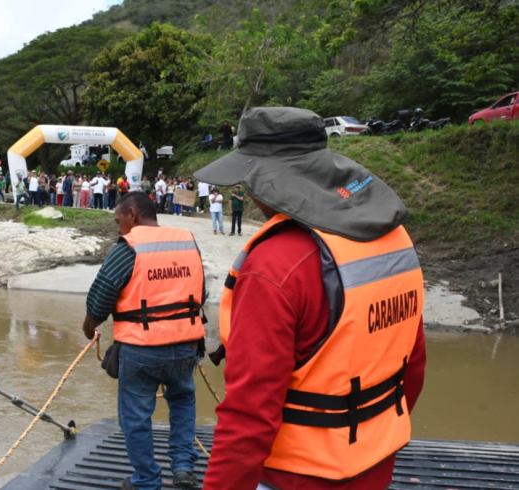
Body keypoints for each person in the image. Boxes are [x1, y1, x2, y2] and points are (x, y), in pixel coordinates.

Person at [193, 107, 427, 490]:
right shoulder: (393, 238)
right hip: (377, 462)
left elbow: (249, 417)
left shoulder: (275, 266)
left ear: (264, 181)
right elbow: (412, 363)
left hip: (297, 475)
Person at [81, 192, 206, 490]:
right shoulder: (187, 241)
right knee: (183, 401)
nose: (119, 227)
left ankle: (147, 481)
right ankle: (183, 469)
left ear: (132, 214)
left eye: (118, 220)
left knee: (135, 416)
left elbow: (100, 298)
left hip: (141, 349)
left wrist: (89, 329)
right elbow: (200, 290)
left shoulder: (127, 248)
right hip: (186, 344)